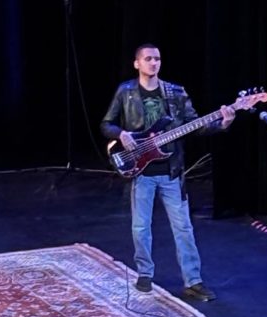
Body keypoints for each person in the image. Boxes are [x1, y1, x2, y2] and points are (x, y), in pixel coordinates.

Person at [100, 44, 234, 301]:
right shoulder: (126, 91)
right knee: (141, 227)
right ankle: (144, 274)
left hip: (172, 172)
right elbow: (106, 124)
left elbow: (197, 126)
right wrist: (123, 134)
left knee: (183, 228)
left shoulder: (175, 93)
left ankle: (193, 281)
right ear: (137, 63)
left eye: (157, 59)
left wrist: (223, 122)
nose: (154, 63)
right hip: (142, 172)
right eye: (148, 59)